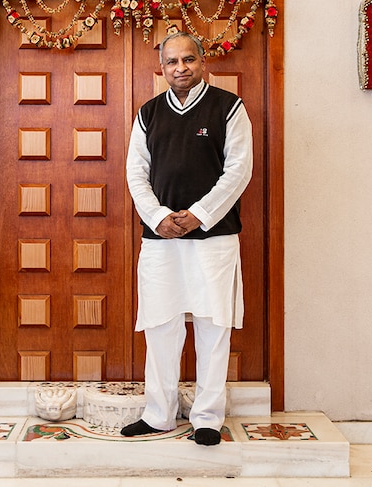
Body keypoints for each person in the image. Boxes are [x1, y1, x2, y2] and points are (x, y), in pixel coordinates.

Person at [121, 32, 253, 446]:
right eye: (172, 62)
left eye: (188, 59)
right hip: (160, 240)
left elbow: (239, 170)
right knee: (161, 325)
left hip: (214, 239)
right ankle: (158, 415)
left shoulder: (229, 108)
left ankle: (208, 418)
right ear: (161, 68)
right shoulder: (148, 113)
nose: (180, 68)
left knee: (214, 326)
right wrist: (159, 217)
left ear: (202, 61)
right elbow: (135, 174)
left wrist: (199, 215)